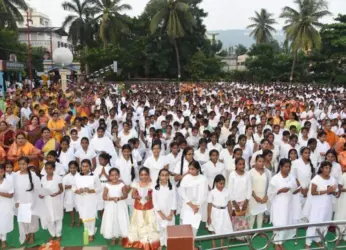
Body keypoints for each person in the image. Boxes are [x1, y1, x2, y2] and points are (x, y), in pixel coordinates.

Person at [123, 167, 160, 250]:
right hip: (138, 208)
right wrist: (137, 196)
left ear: (148, 175)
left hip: (149, 208)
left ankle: (150, 242)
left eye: (146, 174)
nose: (144, 176)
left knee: (150, 225)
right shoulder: (136, 184)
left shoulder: (153, 184)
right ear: (139, 175)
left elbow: (156, 196)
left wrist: (150, 196)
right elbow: (132, 195)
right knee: (138, 224)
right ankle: (139, 241)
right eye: (142, 175)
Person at [303, 161, 338, 249]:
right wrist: (327, 191)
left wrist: (334, 192)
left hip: (327, 206)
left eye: (329, 168)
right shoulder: (316, 179)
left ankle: (318, 239)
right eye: (326, 168)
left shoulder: (333, 179)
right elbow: (313, 192)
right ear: (321, 169)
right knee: (313, 224)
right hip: (317, 206)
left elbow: (335, 193)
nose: (328, 170)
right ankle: (307, 243)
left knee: (324, 224)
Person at [268, 159, 299, 250]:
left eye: (289, 166)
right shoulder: (275, 179)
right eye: (285, 166)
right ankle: (276, 243)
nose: (288, 168)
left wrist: (297, 190)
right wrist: (280, 190)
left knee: (285, 222)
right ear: (281, 167)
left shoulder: (292, 177)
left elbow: (294, 190)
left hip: (288, 204)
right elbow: (269, 193)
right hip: (278, 204)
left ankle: (280, 242)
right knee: (278, 223)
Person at [13, 156, 41, 244]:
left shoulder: (32, 175)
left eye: (24, 164)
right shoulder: (15, 175)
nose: (22, 166)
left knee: (31, 219)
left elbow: (37, 188)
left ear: (27, 164)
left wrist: (36, 201)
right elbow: (14, 189)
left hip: (31, 201)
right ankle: (26, 234)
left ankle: (32, 235)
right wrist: (16, 201)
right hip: (20, 202)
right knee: (23, 220)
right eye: (20, 164)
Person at [74, 159, 101, 242]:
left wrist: (89, 190)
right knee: (84, 216)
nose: (84, 168)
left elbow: (99, 188)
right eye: (83, 166)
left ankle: (91, 234)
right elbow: (73, 187)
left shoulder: (94, 176)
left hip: (91, 199)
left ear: (90, 167)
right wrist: (77, 191)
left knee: (91, 216)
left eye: (86, 166)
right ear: (80, 167)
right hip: (81, 199)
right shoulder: (77, 176)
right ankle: (86, 231)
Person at [101, 167, 129, 245]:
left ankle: (120, 237)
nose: (114, 177)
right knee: (112, 220)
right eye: (112, 175)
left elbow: (125, 195)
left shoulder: (122, 185)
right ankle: (113, 237)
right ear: (109, 176)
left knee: (120, 219)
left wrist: (119, 198)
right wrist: (111, 198)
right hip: (110, 206)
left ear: (119, 175)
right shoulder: (107, 185)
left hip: (120, 205)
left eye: (116, 175)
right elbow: (104, 197)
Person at [179, 161, 208, 236]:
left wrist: (197, 206)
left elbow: (204, 194)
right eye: (189, 169)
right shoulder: (186, 178)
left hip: (198, 207)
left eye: (192, 169)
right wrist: (191, 204)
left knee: (194, 228)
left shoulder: (203, 179)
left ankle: (191, 245)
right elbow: (181, 191)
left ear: (198, 169)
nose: (190, 171)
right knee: (184, 227)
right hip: (187, 205)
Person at [207, 174, 233, 249]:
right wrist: (208, 216)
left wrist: (230, 214)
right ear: (216, 183)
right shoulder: (212, 192)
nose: (222, 185)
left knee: (223, 228)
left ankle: (222, 245)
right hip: (214, 212)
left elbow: (229, 203)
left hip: (224, 212)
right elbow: (209, 205)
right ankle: (214, 244)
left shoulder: (227, 191)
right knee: (214, 228)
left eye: (223, 184)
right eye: (220, 183)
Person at [40, 161, 64, 241]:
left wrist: (56, 193)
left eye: (50, 168)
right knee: (49, 218)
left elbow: (61, 189)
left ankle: (58, 234)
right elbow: (42, 189)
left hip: (56, 200)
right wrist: (41, 194)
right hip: (46, 200)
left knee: (58, 218)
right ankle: (52, 234)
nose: (48, 170)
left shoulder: (58, 178)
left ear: (53, 169)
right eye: (46, 168)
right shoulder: (43, 178)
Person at [152, 169, 176, 249]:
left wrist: (171, 213)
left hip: (169, 212)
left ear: (169, 177)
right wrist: (160, 213)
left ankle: (169, 243)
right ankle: (161, 244)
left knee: (170, 228)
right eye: (162, 175)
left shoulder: (172, 187)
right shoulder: (155, 188)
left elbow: (174, 201)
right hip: (159, 212)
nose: (164, 177)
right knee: (160, 229)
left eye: (166, 175)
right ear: (159, 176)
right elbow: (155, 202)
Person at [228, 158, 251, 236]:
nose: (242, 166)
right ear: (236, 165)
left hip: (244, 201)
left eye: (243, 164)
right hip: (235, 201)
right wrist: (234, 203)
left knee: (244, 219)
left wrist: (246, 201)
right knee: (235, 219)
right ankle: (235, 236)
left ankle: (243, 236)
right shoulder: (232, 174)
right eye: (240, 164)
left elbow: (249, 188)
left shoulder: (247, 174)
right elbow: (230, 189)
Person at [248, 155, 270, 230]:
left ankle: (259, 230)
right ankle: (250, 231)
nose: (261, 163)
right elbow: (249, 186)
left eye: (263, 161)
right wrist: (255, 197)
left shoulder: (268, 172)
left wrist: (266, 197)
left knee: (261, 214)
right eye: (259, 161)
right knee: (252, 215)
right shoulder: (250, 172)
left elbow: (269, 186)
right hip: (253, 197)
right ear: (255, 162)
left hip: (263, 197)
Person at [0, 164, 14, 249]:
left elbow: (11, 195)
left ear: (4, 172)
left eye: (1, 171)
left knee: (3, 222)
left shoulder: (8, 182)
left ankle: (3, 241)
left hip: (5, 205)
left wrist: (0, 193)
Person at [63, 160, 80, 227]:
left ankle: (79, 220)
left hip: (78, 194)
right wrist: (72, 186)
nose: (72, 169)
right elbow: (64, 186)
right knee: (71, 208)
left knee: (78, 208)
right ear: (69, 168)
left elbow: (80, 186)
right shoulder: (66, 177)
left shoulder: (80, 176)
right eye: (71, 168)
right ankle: (72, 220)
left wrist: (70, 186)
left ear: (77, 168)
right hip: (69, 194)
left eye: (74, 167)